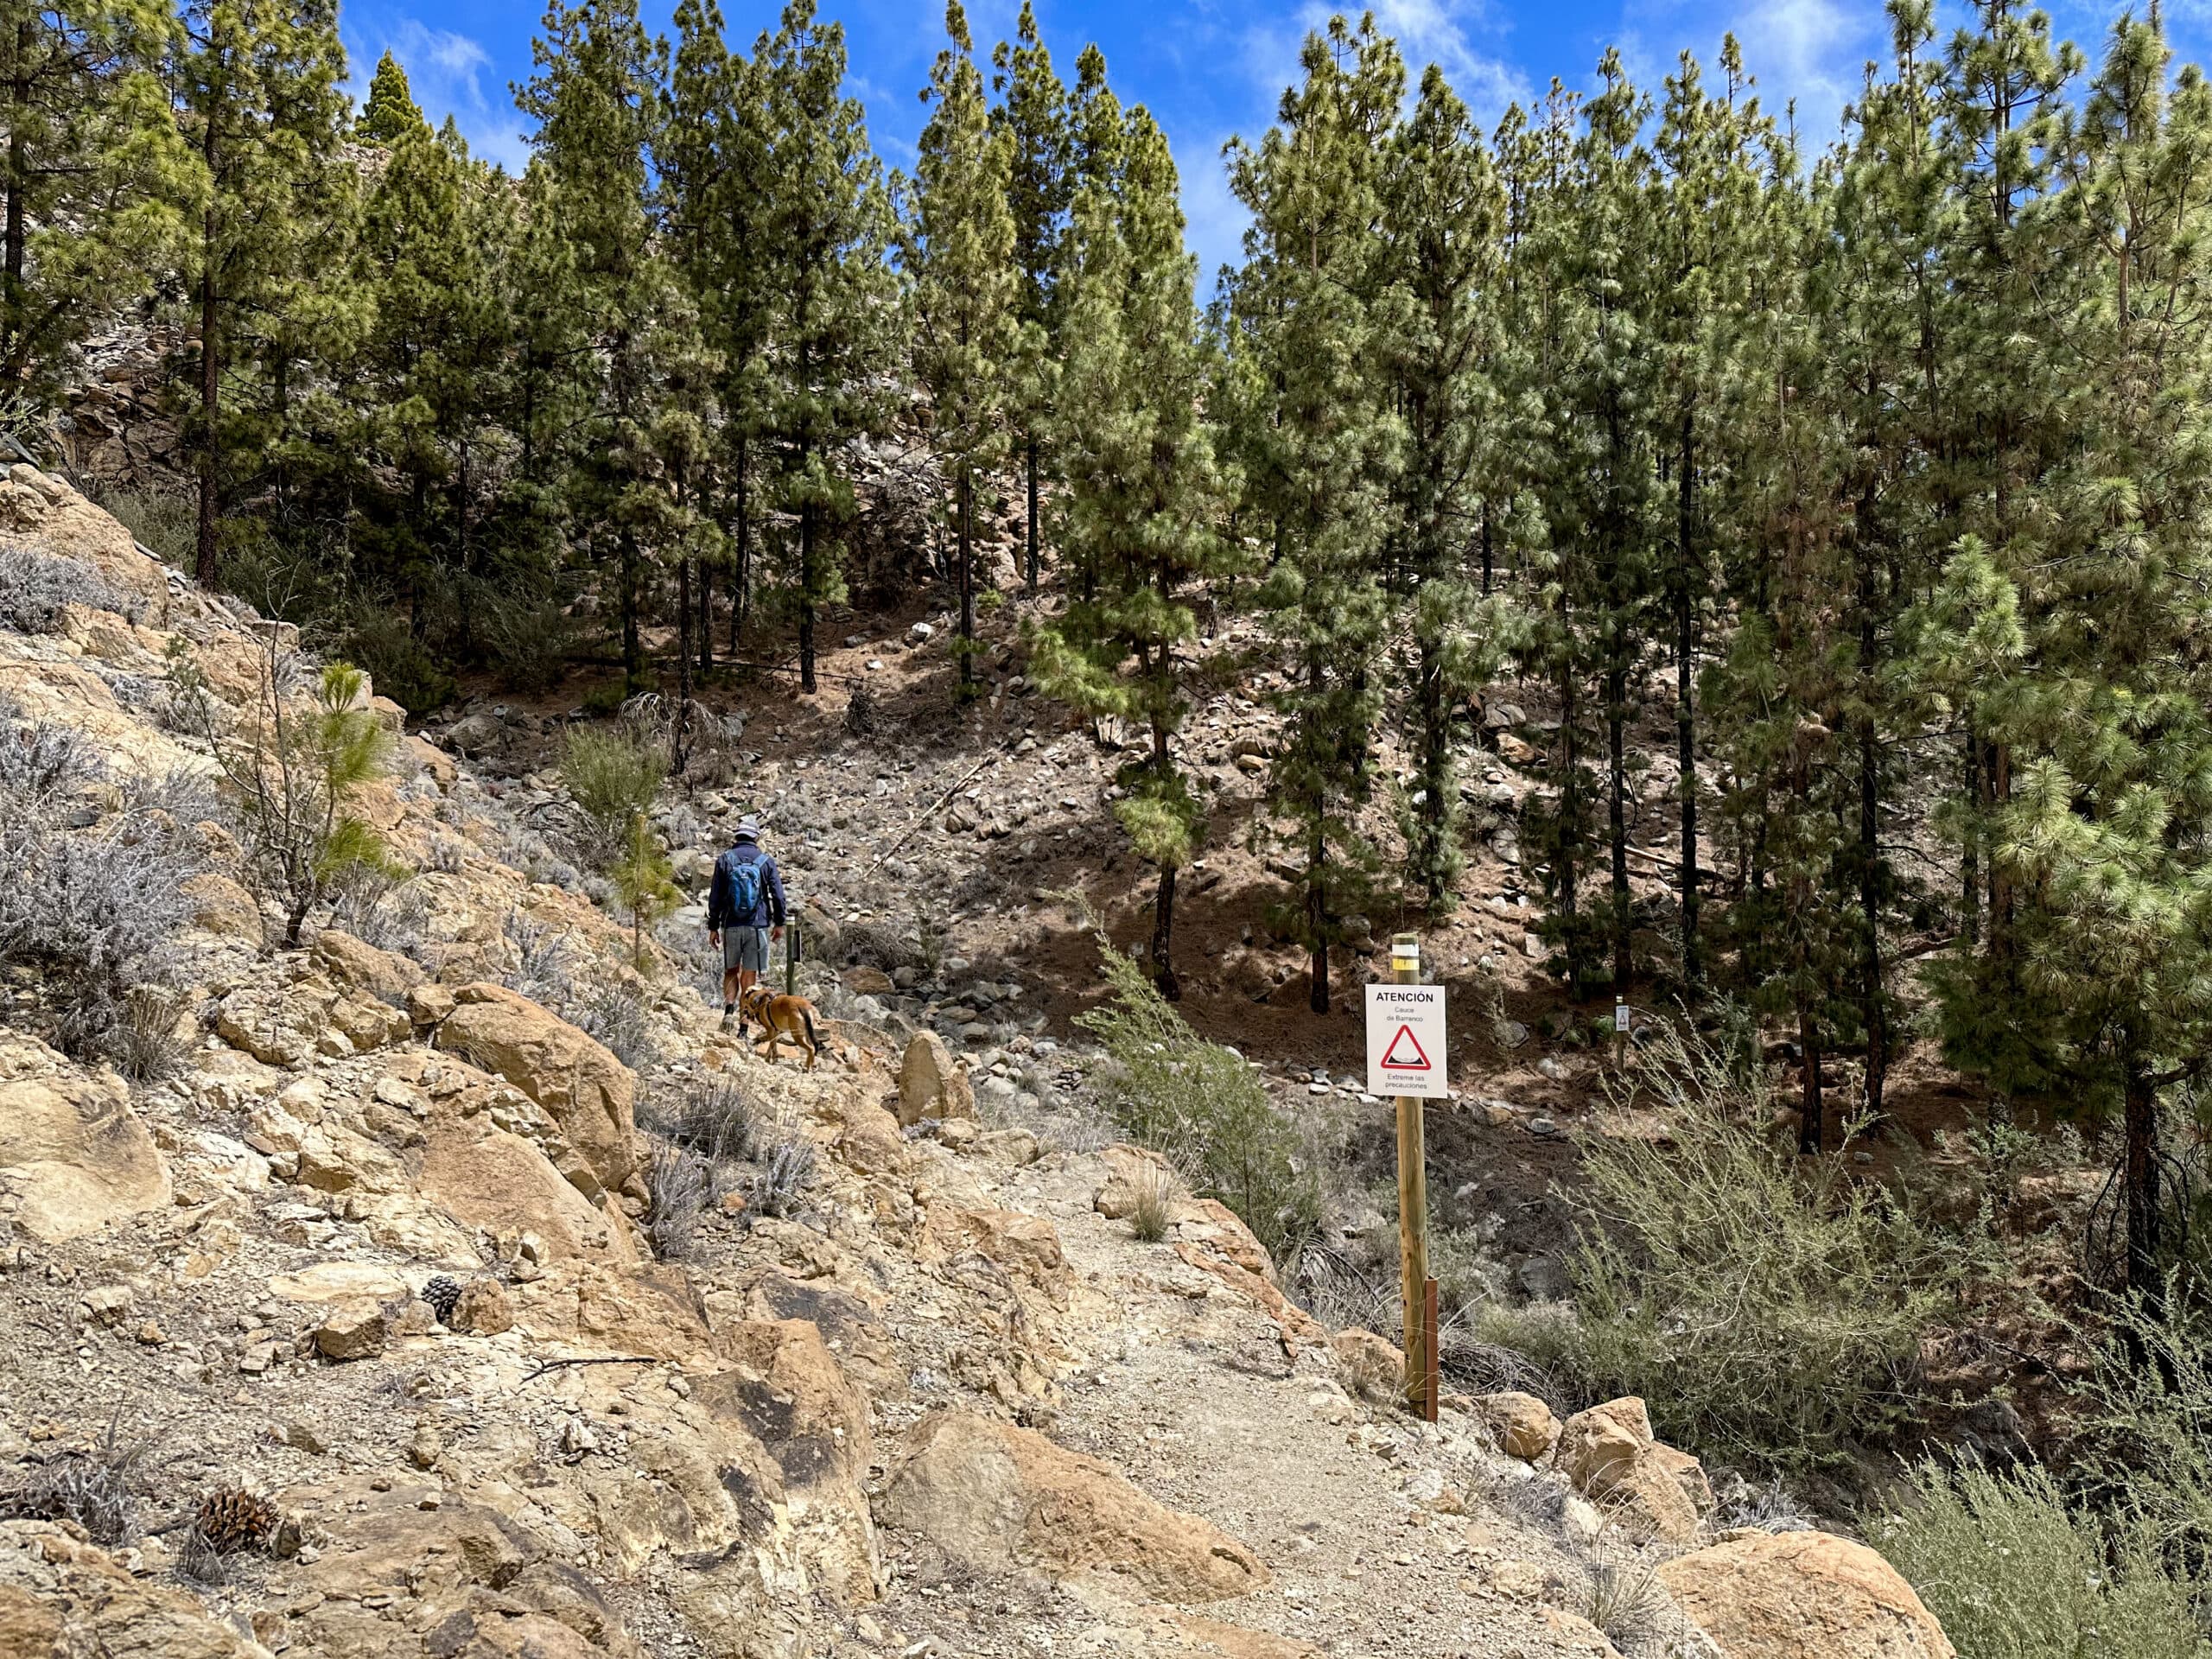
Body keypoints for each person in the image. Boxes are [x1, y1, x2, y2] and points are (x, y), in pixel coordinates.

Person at [707, 815, 787, 1033]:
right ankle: (744, 1025)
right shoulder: (765, 861)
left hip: (731, 924)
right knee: (749, 974)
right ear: (755, 837)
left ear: (737, 836)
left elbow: (714, 897)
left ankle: (728, 1011)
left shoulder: (725, 860)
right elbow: (778, 896)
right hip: (757, 926)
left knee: (731, 971)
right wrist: (779, 923)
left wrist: (713, 926)